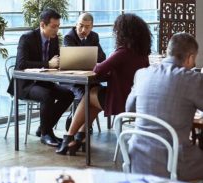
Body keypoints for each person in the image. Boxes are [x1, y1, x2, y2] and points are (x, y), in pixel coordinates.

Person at [57, 13, 152, 155]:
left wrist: (104, 66)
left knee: (90, 95)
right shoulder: (142, 53)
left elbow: (99, 69)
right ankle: (80, 137)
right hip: (135, 100)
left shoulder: (123, 51)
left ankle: (69, 137)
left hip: (121, 101)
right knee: (95, 96)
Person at [126, 33, 203, 181]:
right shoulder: (192, 79)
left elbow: (129, 109)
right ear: (190, 58)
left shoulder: (141, 74)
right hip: (174, 162)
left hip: (137, 157)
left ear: (168, 52)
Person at [7, 8, 75, 147]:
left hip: (44, 82)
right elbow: (21, 64)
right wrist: (47, 63)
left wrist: (62, 62)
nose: (56, 30)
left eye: (58, 26)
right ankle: (46, 134)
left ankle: (44, 127)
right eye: (53, 26)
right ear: (42, 25)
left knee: (68, 94)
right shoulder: (27, 38)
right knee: (47, 96)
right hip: (25, 84)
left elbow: (55, 61)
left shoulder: (54, 39)